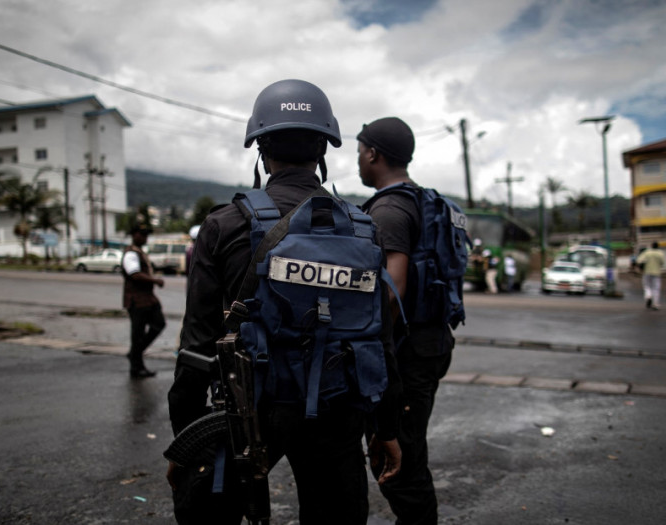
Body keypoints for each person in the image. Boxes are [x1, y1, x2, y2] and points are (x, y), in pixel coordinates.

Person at [166, 79, 401, 525]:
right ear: (323, 149)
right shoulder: (364, 229)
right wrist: (386, 429)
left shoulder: (224, 225)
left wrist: (188, 440)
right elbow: (381, 340)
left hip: (248, 408)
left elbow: (195, 347)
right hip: (337, 410)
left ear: (261, 147)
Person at [357, 116, 453, 525]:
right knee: (409, 453)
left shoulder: (390, 209)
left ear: (374, 154)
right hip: (431, 341)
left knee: (397, 464)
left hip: (405, 353)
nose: (358, 159)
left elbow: (391, 293)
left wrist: (373, 360)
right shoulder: (422, 200)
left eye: (360, 151)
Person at [121, 222, 166, 378]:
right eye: (142, 234)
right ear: (134, 235)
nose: (145, 237)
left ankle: (135, 353)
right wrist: (155, 280)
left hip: (147, 298)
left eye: (146, 234)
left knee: (159, 324)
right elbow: (135, 274)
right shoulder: (131, 253)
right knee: (138, 333)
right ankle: (136, 366)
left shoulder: (139, 252)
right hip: (136, 299)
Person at [636, 241, 665, 310]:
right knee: (656, 288)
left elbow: (639, 260)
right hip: (657, 273)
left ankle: (648, 296)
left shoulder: (647, 252)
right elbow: (662, 262)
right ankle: (656, 304)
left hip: (647, 272)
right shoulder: (660, 253)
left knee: (647, 286)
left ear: (651, 246)